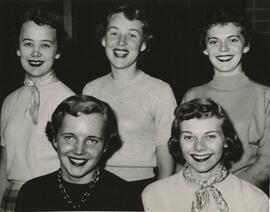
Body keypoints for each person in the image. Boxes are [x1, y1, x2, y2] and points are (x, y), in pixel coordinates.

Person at [82, 4, 176, 193]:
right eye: (114, 33)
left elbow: (166, 152)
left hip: (142, 187)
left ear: (143, 44)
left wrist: (160, 195)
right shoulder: (91, 89)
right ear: (103, 39)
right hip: (96, 185)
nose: (121, 42)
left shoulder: (160, 90)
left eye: (132, 35)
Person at [181, 8, 270, 193]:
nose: (223, 48)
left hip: (244, 194)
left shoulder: (265, 96)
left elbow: (267, 162)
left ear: (246, 46)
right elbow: (180, 154)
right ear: (205, 48)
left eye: (233, 40)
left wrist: (227, 191)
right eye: (214, 41)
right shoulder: (192, 95)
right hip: (195, 193)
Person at [0, 8, 74, 211]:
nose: (35, 52)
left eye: (45, 45)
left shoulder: (68, 101)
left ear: (57, 51)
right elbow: (5, 163)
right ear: (18, 48)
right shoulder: (9, 101)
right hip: (12, 196)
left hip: (50, 197)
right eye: (28, 43)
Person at [15, 95, 142, 211]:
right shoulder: (32, 193)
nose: (79, 150)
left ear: (105, 145)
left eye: (92, 140)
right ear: (54, 139)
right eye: (69, 137)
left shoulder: (124, 196)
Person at [142, 98, 269, 212]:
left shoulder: (255, 200)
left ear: (226, 141)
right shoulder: (154, 195)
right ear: (178, 142)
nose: (199, 147)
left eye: (210, 136)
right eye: (188, 137)